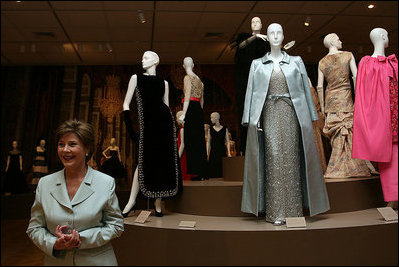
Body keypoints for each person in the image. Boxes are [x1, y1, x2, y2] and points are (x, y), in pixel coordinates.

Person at [241, 23, 330, 225]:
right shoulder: (257, 64)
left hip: (291, 113)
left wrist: (310, 116)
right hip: (269, 114)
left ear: (283, 36)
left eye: (278, 32)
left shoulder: (296, 61)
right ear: (267, 37)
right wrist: (249, 118)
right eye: (271, 32)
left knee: (291, 158)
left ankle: (293, 211)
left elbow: (305, 91)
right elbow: (251, 91)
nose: (274, 35)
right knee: (272, 158)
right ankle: (274, 212)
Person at [26, 119, 124, 266]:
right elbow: (35, 228)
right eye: (61, 144)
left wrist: (80, 239)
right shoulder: (45, 184)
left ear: (87, 149)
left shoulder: (105, 183)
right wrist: (54, 243)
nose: (65, 150)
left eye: (72, 144)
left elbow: (116, 226)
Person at [122, 51, 182, 218]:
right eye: (141, 57)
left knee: (161, 163)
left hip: (164, 127)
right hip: (147, 127)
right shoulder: (136, 78)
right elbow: (126, 103)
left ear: (156, 60)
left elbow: (167, 106)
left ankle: (157, 202)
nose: (142, 60)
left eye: (146, 57)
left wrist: (172, 128)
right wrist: (130, 128)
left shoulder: (164, 83)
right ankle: (131, 201)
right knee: (142, 162)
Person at [230, 17, 295, 155]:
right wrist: (255, 37)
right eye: (253, 22)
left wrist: (283, 48)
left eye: (258, 22)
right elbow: (239, 46)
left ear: (262, 24)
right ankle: (247, 148)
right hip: (246, 80)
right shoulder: (245, 39)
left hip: (263, 81)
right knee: (247, 112)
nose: (255, 24)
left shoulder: (267, 41)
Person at [317, 33, 375, 178]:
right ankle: (355, 167)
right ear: (331, 42)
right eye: (337, 39)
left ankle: (339, 168)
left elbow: (319, 86)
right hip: (345, 97)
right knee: (349, 131)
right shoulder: (348, 56)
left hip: (331, 100)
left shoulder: (322, 62)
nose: (340, 40)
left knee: (339, 133)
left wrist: (323, 107)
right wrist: (359, 98)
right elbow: (356, 77)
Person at [352, 28, 398, 209]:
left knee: (394, 155)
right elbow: (363, 92)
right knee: (386, 157)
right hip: (382, 116)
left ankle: (393, 198)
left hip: (395, 115)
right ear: (383, 37)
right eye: (387, 35)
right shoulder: (367, 63)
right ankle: (392, 197)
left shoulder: (394, 63)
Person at [178, 56, 208, 181]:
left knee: (191, 140)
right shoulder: (200, 80)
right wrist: (200, 112)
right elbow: (202, 100)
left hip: (190, 108)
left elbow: (188, 94)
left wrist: (184, 113)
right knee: (200, 140)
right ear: (193, 65)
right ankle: (203, 172)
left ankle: (196, 171)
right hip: (199, 111)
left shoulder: (187, 78)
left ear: (184, 66)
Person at [206, 112, 232, 178]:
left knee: (222, 170)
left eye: (212, 117)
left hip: (222, 151)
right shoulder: (210, 129)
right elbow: (208, 142)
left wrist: (229, 152)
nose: (211, 119)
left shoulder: (224, 129)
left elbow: (228, 141)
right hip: (213, 152)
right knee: (213, 171)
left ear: (217, 118)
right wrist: (207, 153)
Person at [177, 110, 195, 181]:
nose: (176, 120)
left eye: (177, 117)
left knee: (183, 175)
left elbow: (182, 144)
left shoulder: (182, 130)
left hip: (183, 155)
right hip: (188, 154)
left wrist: (178, 157)